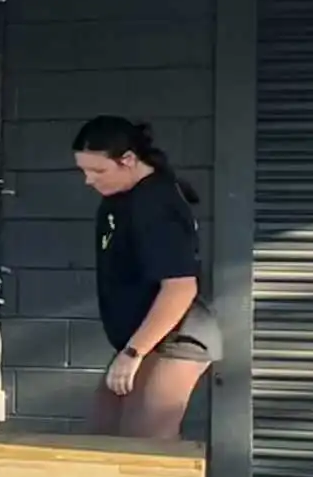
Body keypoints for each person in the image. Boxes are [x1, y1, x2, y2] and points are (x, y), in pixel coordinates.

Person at [72, 116, 221, 440]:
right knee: (103, 435)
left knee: (146, 442)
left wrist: (132, 353)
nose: (88, 180)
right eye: (84, 170)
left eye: (98, 171)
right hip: (140, 337)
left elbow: (180, 288)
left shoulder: (155, 203)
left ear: (128, 160)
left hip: (175, 334)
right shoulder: (118, 201)